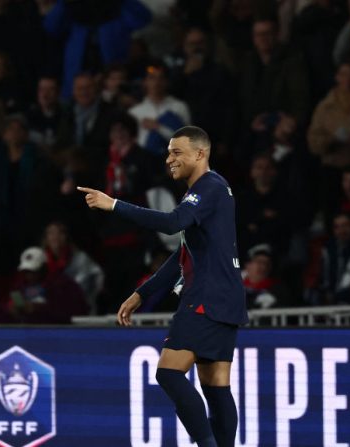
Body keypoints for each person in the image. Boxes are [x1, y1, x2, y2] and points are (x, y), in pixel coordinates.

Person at [77, 126, 246, 447]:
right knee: (215, 385)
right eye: (168, 152)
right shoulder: (210, 191)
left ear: (200, 153)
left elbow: (171, 224)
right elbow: (184, 255)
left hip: (206, 297)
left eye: (177, 152)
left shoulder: (208, 187)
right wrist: (142, 293)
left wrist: (114, 204)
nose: (169, 159)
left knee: (168, 373)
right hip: (226, 297)